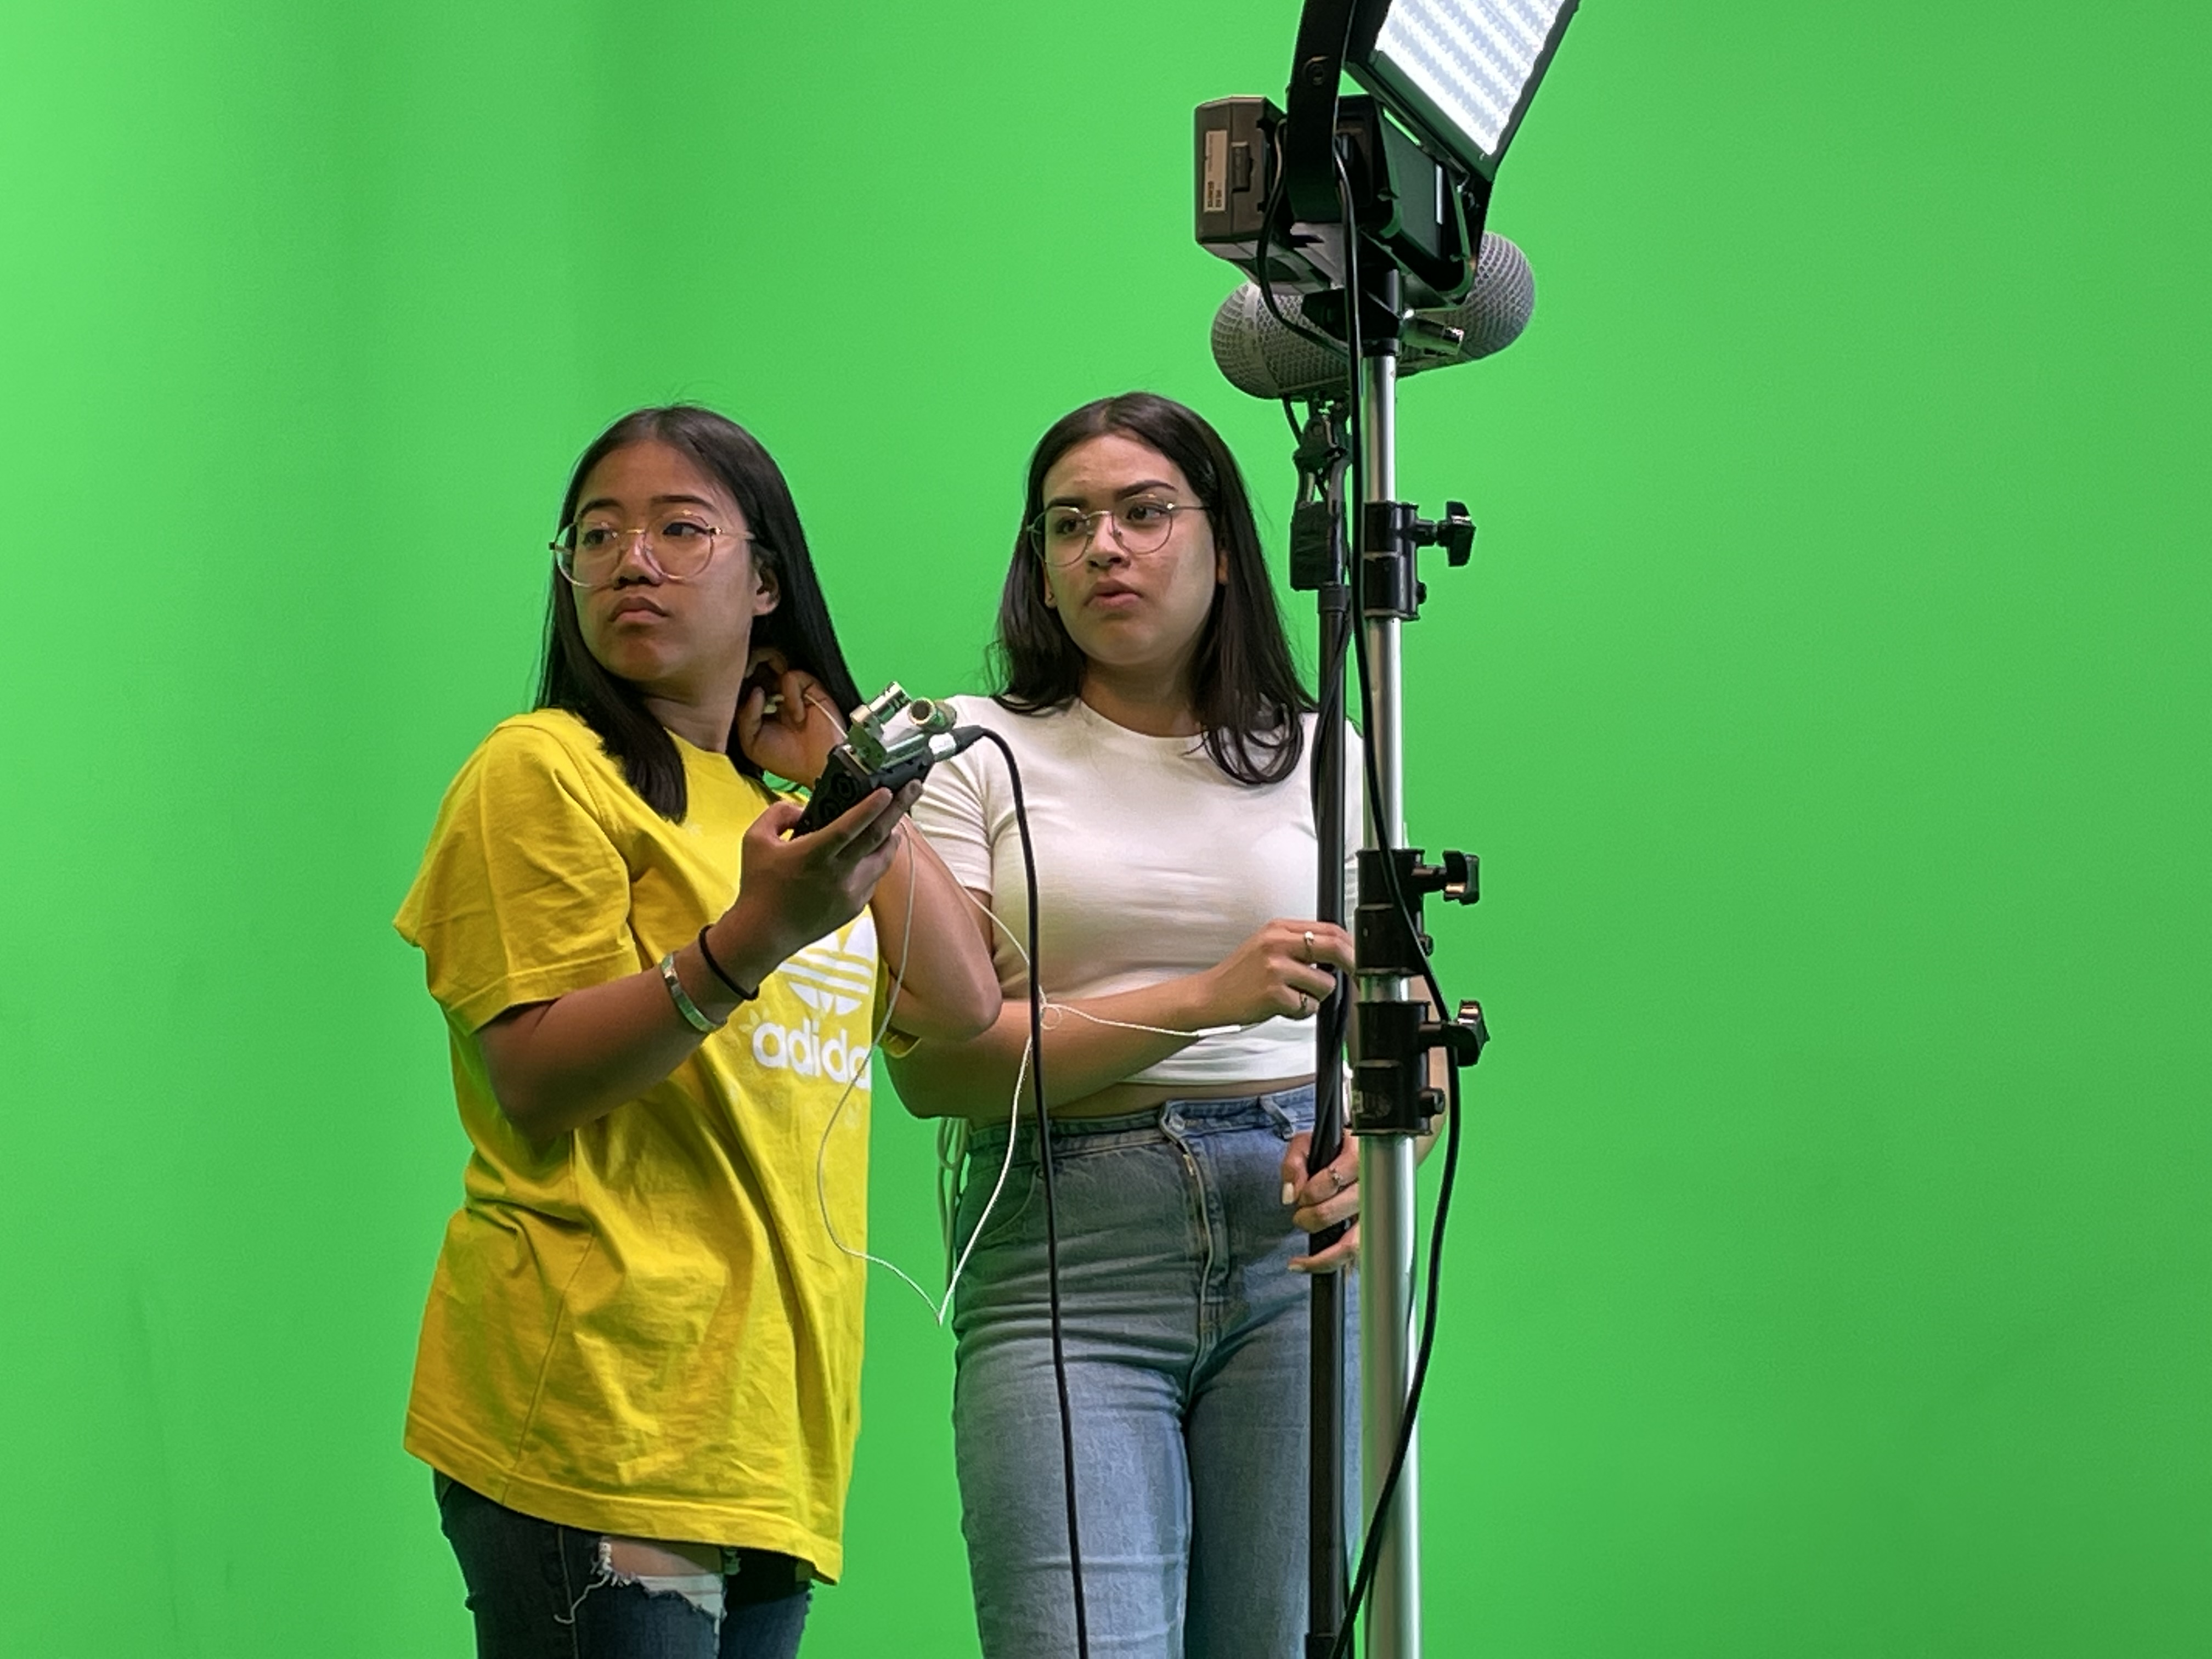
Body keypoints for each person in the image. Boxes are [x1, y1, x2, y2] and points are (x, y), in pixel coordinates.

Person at [393, 404, 998, 1659]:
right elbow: (534, 1076)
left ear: (767, 579)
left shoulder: (779, 810)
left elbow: (958, 1006)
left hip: (766, 1432)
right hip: (599, 1405)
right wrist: (748, 943)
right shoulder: (543, 770)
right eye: (597, 534)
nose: (633, 560)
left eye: (680, 530)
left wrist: (840, 763)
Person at [889, 392, 1365, 1657]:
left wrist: (1376, 1147)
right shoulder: (969, 753)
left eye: (1145, 513)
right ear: (1039, 569)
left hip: (1293, 1251)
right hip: (1066, 1247)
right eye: (1068, 523)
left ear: (1225, 546)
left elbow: (1395, 1004)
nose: (1104, 546)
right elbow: (941, 1070)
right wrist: (1206, 999)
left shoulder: (1327, 751)